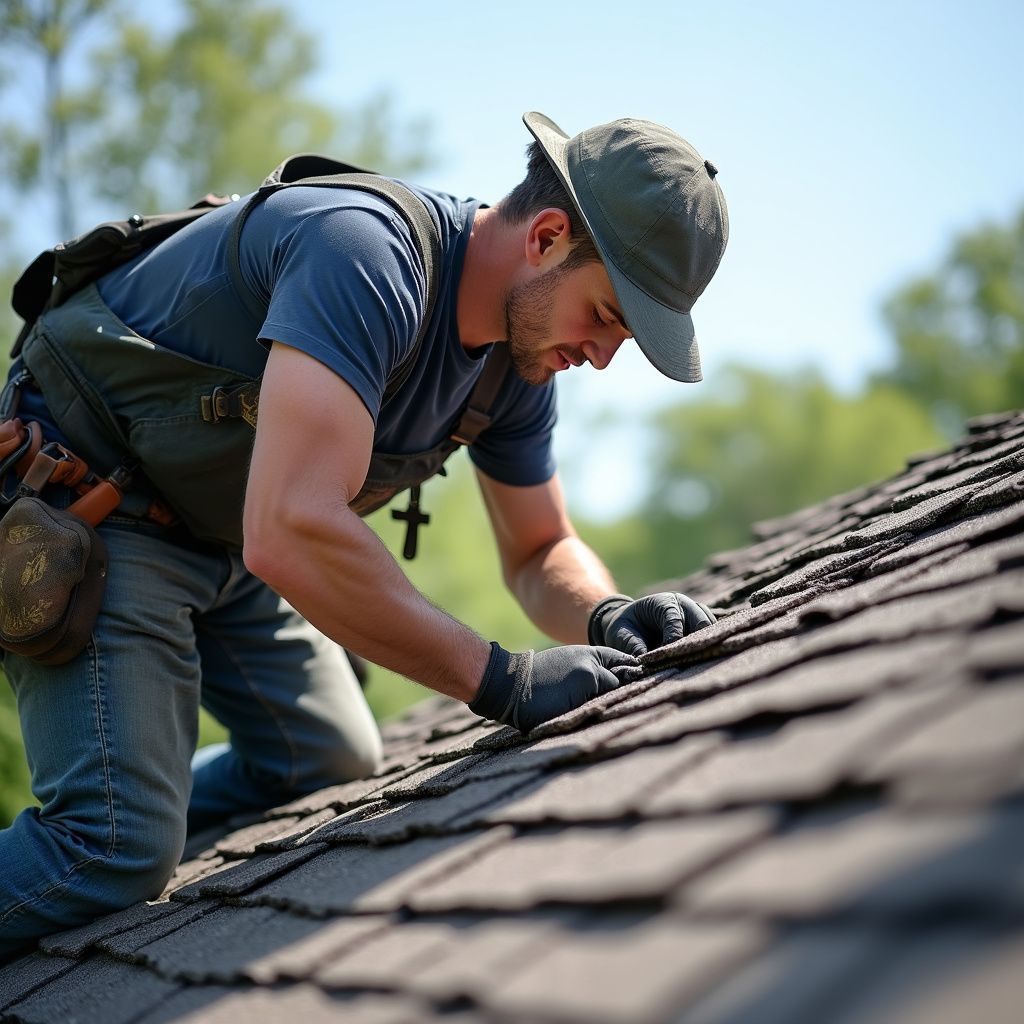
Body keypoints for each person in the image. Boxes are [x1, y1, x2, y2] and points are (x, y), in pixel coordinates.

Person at [0, 111, 728, 957]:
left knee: (330, 759)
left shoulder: (518, 363)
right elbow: (294, 530)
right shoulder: (365, 254)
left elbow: (539, 550)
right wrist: (505, 681)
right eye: (605, 316)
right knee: (110, 848)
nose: (602, 356)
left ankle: (145, 791)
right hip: (99, 515)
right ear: (548, 237)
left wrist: (608, 614)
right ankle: (130, 815)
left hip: (226, 538)